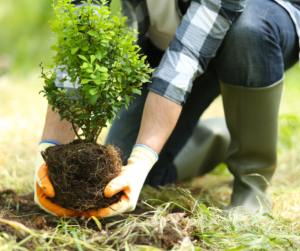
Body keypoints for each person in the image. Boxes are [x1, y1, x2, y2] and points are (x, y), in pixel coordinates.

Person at [34, 0, 300, 217]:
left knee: (247, 31)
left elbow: (186, 57)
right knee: (127, 175)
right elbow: (82, 35)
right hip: (168, 44)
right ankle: (227, 134)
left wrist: (144, 157)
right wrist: (49, 151)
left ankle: (251, 183)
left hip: (258, 25)